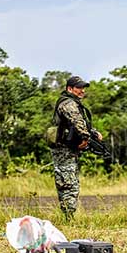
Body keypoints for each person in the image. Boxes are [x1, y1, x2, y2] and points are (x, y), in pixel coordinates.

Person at [51, 75, 101, 219]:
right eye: (79, 88)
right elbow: (77, 121)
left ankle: (69, 216)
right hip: (63, 150)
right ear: (70, 89)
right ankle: (68, 217)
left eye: (83, 88)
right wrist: (86, 137)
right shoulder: (68, 103)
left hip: (69, 150)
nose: (82, 91)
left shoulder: (72, 102)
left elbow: (79, 123)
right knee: (67, 183)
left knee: (71, 182)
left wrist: (93, 133)